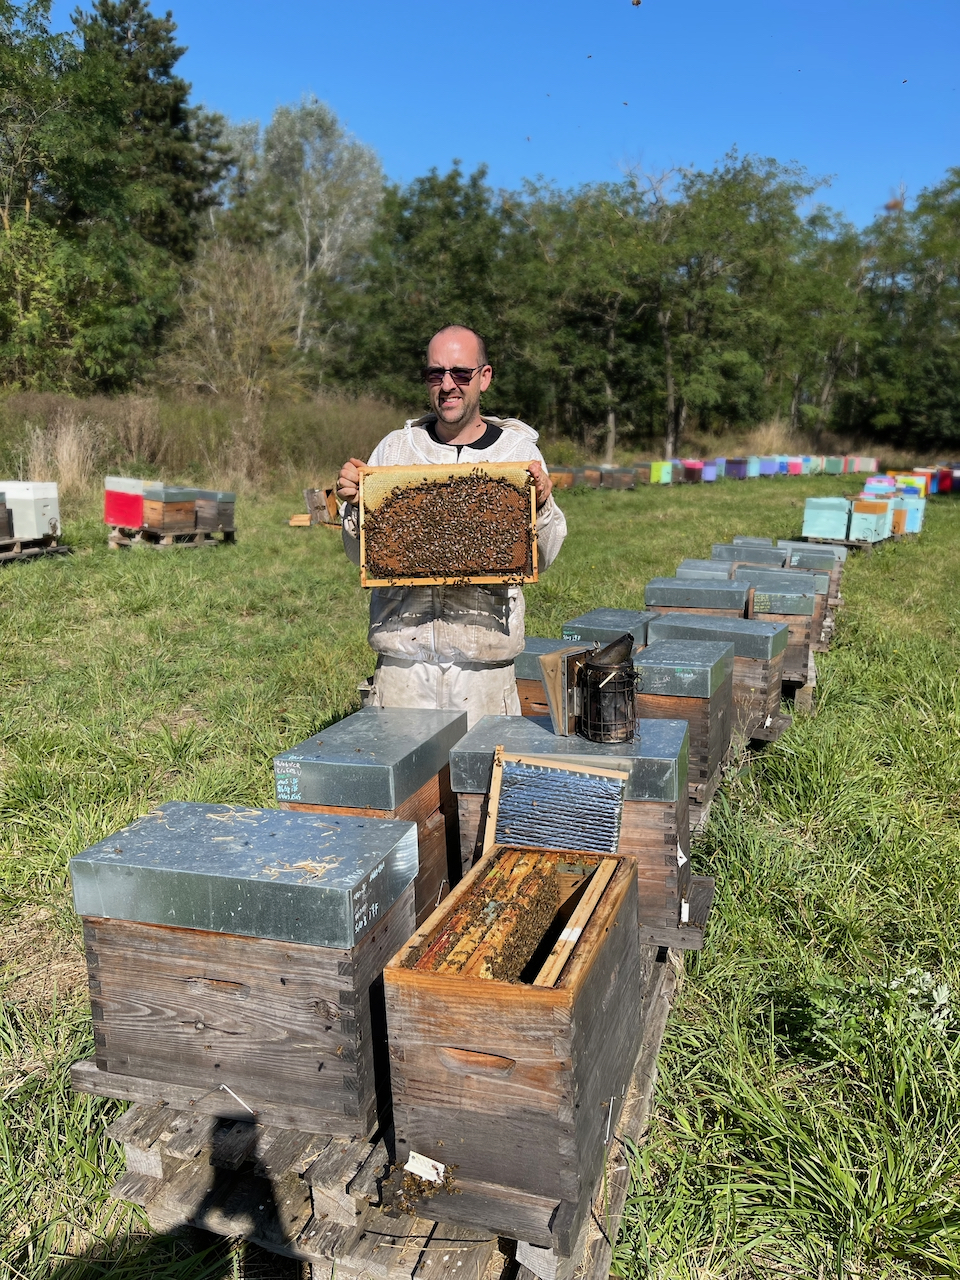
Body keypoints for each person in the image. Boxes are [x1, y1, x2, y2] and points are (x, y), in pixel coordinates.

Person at [337, 325, 567, 726]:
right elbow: (360, 556)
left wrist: (542, 504)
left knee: (481, 770)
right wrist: (357, 506)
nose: (447, 385)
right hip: (404, 667)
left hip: (484, 670)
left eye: (460, 373)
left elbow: (543, 557)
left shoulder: (518, 454)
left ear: (484, 377)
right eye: (435, 373)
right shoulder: (394, 449)